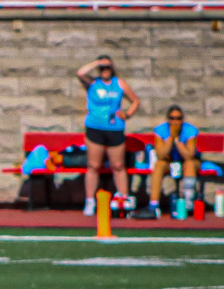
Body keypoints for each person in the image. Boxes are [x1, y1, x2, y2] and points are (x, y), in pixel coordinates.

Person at [76, 54, 139, 214]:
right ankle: (90, 201)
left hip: (114, 129)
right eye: (102, 68)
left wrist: (127, 114)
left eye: (108, 67)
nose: (105, 70)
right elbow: (80, 73)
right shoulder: (92, 83)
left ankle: (123, 198)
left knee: (118, 166)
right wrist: (97, 62)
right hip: (95, 128)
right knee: (93, 166)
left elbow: (135, 101)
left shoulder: (119, 84)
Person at [153, 104, 203, 208]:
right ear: (168, 119)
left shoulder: (190, 130)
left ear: (182, 119)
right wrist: (171, 137)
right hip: (170, 162)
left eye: (178, 118)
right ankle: (153, 204)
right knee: (159, 165)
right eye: (172, 118)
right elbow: (161, 155)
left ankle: (189, 202)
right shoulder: (161, 130)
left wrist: (177, 140)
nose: (175, 122)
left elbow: (189, 155)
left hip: (187, 162)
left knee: (189, 164)